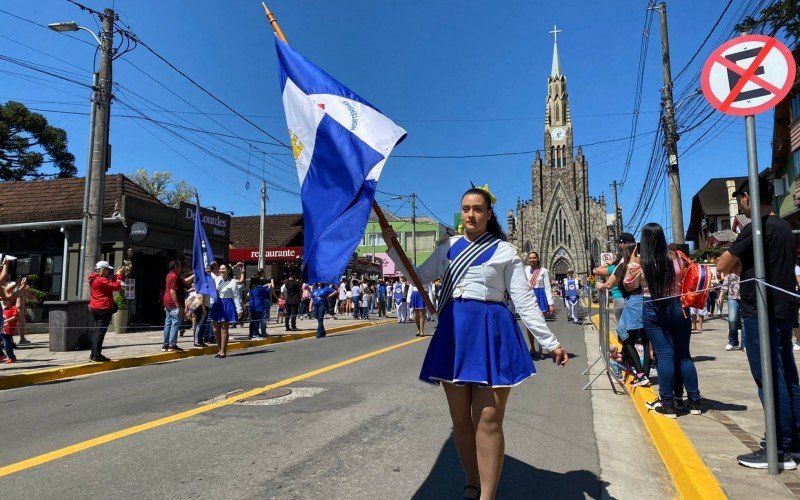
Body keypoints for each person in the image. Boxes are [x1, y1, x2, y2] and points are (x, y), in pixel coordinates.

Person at [383, 185, 567, 499]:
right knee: (461, 421)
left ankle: (488, 495)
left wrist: (550, 342)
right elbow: (418, 276)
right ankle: (472, 480)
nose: (471, 214)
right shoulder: (447, 248)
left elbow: (522, 301)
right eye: (466, 208)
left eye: (477, 209)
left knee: (489, 420)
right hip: (455, 334)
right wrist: (392, 247)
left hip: (491, 331)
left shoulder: (505, 251)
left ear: (488, 213)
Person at [718, 178, 800, 470]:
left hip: (759, 310)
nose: (741, 202)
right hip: (784, 309)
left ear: (749, 198)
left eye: (741, 196)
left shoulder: (756, 228)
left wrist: (739, 262)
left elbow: (722, 265)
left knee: (768, 377)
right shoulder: (784, 228)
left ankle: (778, 448)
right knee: (787, 374)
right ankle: (793, 442)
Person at [625, 223, 700, 419]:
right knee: (684, 355)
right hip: (677, 304)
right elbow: (685, 277)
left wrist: (632, 262)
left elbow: (629, 284)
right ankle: (694, 401)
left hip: (653, 307)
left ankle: (667, 404)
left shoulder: (643, 263)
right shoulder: (676, 258)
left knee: (664, 355)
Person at [87, 261, 124, 362]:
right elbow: (116, 287)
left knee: (97, 331)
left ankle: (93, 354)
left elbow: (110, 284)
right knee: (100, 332)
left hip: (95, 307)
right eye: (107, 269)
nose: (108, 271)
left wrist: (116, 275)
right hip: (103, 308)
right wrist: (119, 276)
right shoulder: (101, 280)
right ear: (103, 270)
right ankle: (96, 355)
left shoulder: (94, 278)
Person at [209, 263, 244, 358]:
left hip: (227, 304)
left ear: (228, 270)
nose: (221, 270)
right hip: (217, 304)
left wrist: (239, 309)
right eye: (220, 269)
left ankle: (223, 351)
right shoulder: (216, 280)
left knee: (224, 329)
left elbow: (236, 297)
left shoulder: (233, 282)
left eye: (224, 269)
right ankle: (219, 349)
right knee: (216, 329)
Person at [524, 251, 555, 356]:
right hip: (529, 297)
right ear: (528, 259)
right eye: (530, 258)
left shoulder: (544, 271)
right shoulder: (525, 270)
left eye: (534, 258)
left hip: (540, 297)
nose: (532, 260)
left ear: (537, 259)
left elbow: (547, 287)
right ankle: (532, 347)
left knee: (540, 324)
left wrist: (550, 304)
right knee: (529, 325)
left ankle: (541, 348)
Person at [162, 260, 193, 353]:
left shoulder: (169, 275)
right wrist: (178, 305)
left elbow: (185, 281)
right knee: (175, 324)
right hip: (173, 302)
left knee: (168, 323)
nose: (181, 268)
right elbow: (172, 291)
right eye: (179, 266)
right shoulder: (174, 277)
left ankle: (165, 344)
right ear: (176, 266)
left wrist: (195, 274)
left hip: (167, 302)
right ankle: (172, 345)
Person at [718, 272, 743, 351]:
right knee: (732, 320)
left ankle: (745, 343)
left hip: (746, 297)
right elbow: (725, 283)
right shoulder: (730, 269)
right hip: (733, 297)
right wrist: (721, 296)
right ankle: (733, 342)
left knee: (744, 321)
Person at [1, 296, 18, 363]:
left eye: (5, 301)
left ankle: (12, 357)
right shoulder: (3, 309)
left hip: (8, 330)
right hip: (2, 330)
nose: (3, 302)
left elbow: (15, 317)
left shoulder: (13, 308)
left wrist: (6, 320)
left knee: (6, 344)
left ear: (11, 301)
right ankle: (2, 355)